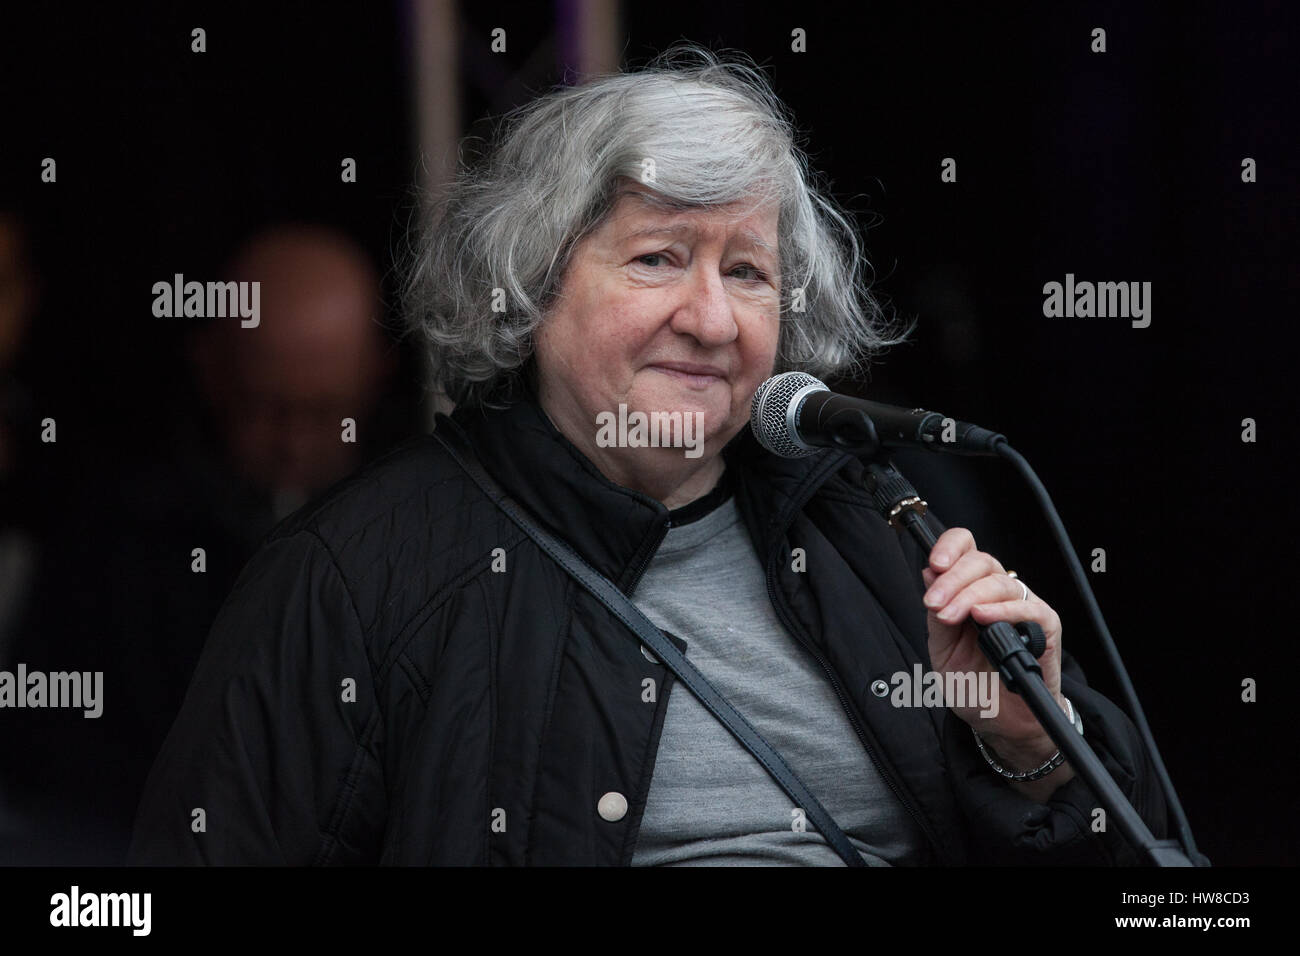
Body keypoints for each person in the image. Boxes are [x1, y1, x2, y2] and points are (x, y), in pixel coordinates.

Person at [128, 45, 1166, 866]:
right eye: (658, 257)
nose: (710, 318)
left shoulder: (884, 528)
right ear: (532, 285)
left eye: (748, 271)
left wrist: (1028, 747)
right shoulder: (354, 577)